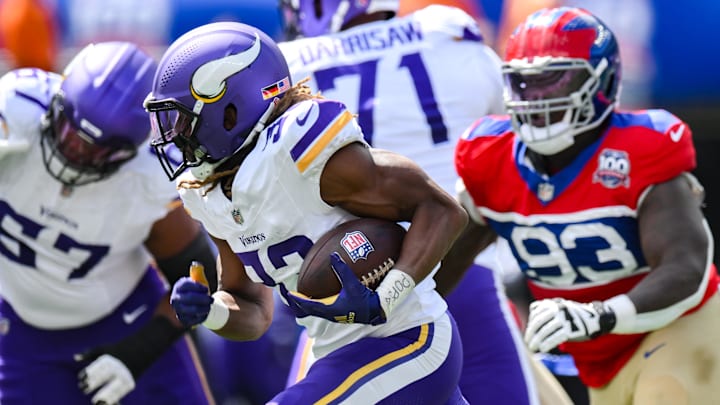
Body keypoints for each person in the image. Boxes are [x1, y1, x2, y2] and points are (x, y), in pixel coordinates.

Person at [146, 21, 469, 404]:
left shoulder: (298, 152)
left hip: (406, 338)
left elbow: (443, 209)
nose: (176, 138)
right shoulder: (211, 193)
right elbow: (251, 309)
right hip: (335, 354)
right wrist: (211, 311)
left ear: (230, 111)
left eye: (184, 121)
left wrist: (387, 294)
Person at [277, 2, 571, 404]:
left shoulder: (290, 69)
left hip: (349, 288)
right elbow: (518, 143)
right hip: (464, 270)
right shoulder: (447, 35)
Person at [440, 6, 720, 404]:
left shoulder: (641, 148)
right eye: (525, 84)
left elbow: (685, 267)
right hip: (593, 349)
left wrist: (600, 313)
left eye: (556, 81)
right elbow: (443, 265)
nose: (537, 98)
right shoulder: (490, 157)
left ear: (602, 81)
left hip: (673, 327)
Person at [0, 41, 216, 404]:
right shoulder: (16, 111)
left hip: (125, 322)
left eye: (96, 151)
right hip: (23, 331)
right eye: (70, 134)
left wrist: (139, 351)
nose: (74, 154)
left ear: (129, 152)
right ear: (57, 103)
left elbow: (200, 276)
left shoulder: (150, 176)